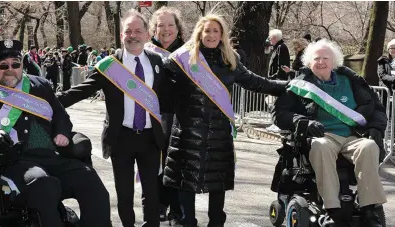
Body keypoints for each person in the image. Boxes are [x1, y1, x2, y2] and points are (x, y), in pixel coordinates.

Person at [0, 39, 111, 227]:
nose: (10, 69)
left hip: (51, 155)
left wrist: (62, 132)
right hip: (14, 161)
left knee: (89, 180)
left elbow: (60, 115)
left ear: (22, 64)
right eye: (4, 65)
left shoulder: (40, 85)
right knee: (44, 185)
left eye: (15, 64)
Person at [162, 14, 288, 227]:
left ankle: (216, 222)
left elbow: (255, 82)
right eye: (207, 31)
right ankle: (187, 222)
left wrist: (288, 86)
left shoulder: (230, 59)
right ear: (199, 33)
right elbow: (162, 89)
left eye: (216, 31)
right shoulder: (181, 59)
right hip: (187, 131)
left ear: (222, 35)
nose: (211, 35)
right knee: (186, 183)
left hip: (219, 133)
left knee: (217, 184)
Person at [57, 10, 168, 227]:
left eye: (138, 31)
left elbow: (171, 96)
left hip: (150, 139)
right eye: (128, 31)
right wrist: (47, 102)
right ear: (121, 35)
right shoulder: (110, 65)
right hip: (121, 138)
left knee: (153, 192)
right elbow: (80, 90)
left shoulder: (157, 62)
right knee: (124, 193)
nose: (132, 35)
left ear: (147, 35)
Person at [273, 39, 387, 227]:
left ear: (334, 61)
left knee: (369, 146)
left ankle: (370, 209)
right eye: (316, 58)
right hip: (322, 136)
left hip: (352, 136)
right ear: (309, 62)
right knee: (321, 146)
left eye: (326, 58)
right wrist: (303, 122)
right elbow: (280, 114)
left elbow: (376, 109)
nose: (321, 62)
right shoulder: (299, 84)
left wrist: (375, 128)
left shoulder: (352, 81)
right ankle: (332, 210)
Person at [146, 6, 186, 223]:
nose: (166, 29)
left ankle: (177, 208)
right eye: (161, 25)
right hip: (153, 114)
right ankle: (158, 204)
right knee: (155, 162)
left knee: (177, 163)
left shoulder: (189, 52)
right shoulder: (145, 52)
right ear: (154, 29)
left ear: (178, 29)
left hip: (181, 115)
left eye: (171, 25)